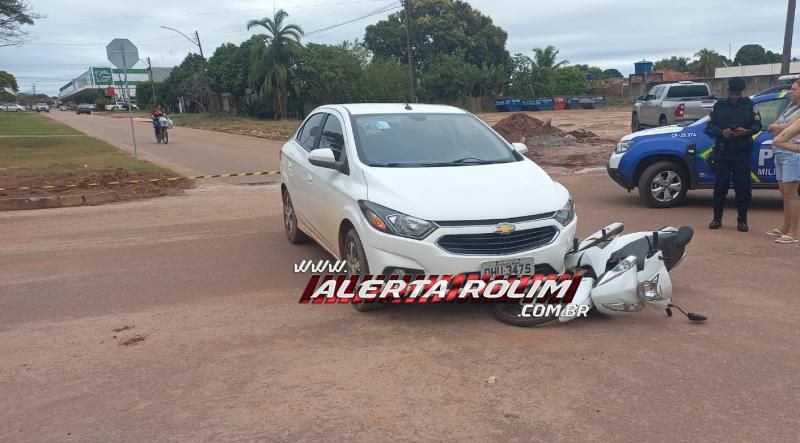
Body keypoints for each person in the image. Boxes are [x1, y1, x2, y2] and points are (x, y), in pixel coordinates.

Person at [704, 77, 762, 232]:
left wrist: (747, 131)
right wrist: (722, 132)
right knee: (720, 187)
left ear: (741, 93)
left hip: (742, 152)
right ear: (727, 92)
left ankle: (742, 220)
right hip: (723, 152)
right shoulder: (719, 106)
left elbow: (758, 125)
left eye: (737, 94)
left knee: (742, 187)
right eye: (731, 93)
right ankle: (717, 218)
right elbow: (709, 127)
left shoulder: (749, 106)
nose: (734, 97)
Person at [766, 80, 800, 243]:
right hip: (780, 152)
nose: (790, 92)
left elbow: (785, 127)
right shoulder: (791, 106)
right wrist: (777, 126)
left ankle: (794, 232)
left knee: (791, 193)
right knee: (783, 190)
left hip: (792, 152)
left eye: (794, 89)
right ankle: (785, 227)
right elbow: (780, 125)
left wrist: (776, 126)